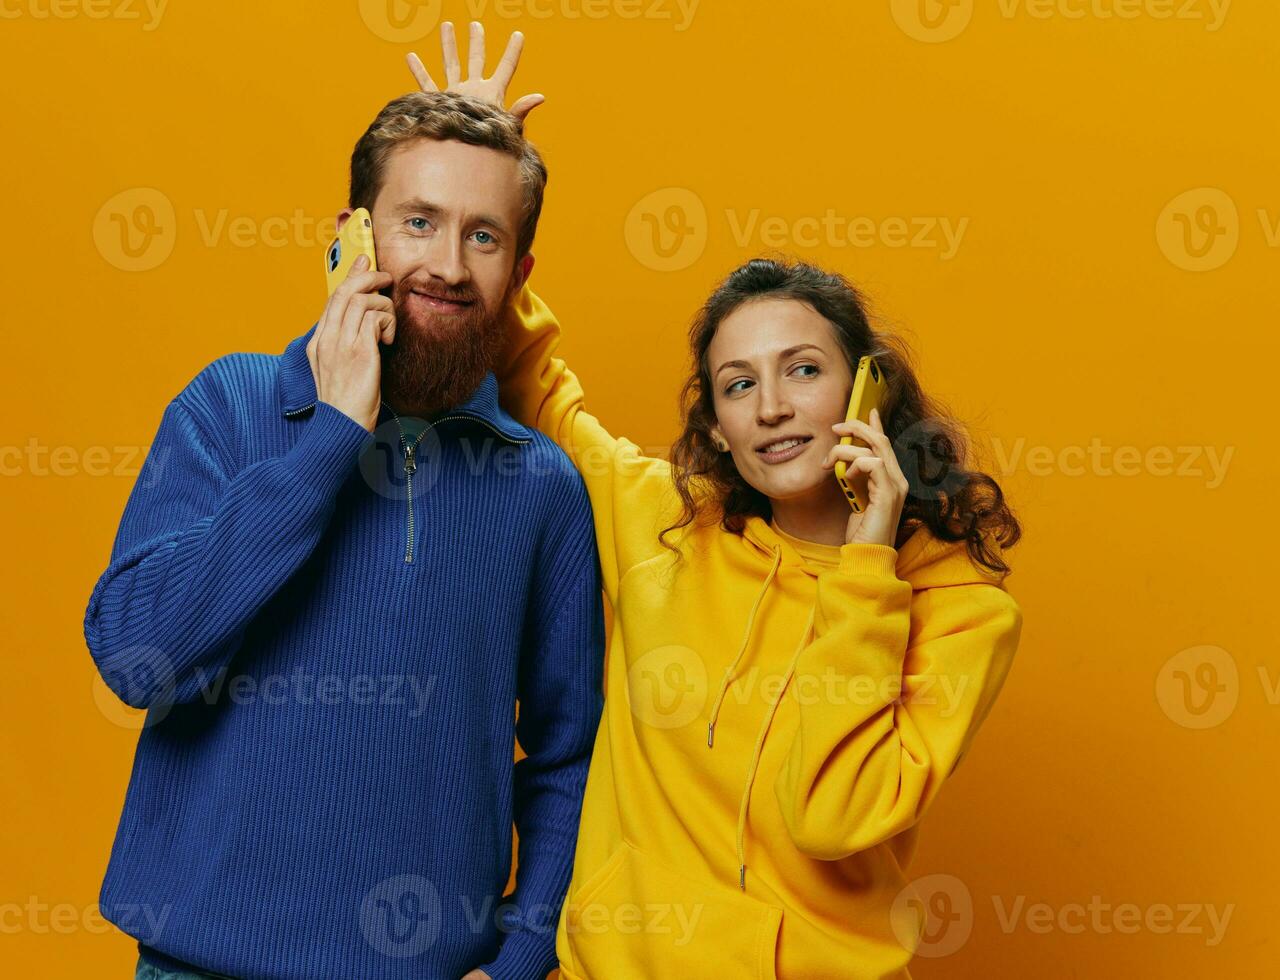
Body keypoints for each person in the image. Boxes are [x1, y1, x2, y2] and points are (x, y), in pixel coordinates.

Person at [410, 24, 1024, 978]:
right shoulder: (665, 522)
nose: (773, 407)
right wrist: (482, 159)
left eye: (804, 371)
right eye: (738, 385)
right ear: (718, 423)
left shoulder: (961, 615)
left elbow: (834, 815)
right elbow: (535, 380)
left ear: (871, 391)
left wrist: (866, 564)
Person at [84, 54, 602, 980]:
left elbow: (567, 755)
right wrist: (327, 442)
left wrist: (525, 955)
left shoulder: (543, 489)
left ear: (520, 272)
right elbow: (132, 654)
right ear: (352, 240)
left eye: (483, 236)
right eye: (418, 221)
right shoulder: (231, 405)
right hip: (196, 963)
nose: (446, 265)